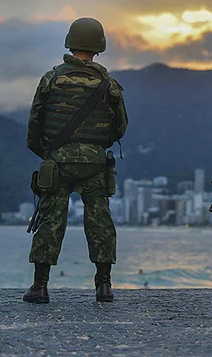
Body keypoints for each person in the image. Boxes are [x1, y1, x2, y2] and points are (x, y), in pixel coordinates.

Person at [24, 17, 128, 304]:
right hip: (95, 163)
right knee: (100, 221)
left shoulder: (51, 78)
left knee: (51, 221)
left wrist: (48, 153)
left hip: (58, 161)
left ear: (70, 42)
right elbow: (120, 127)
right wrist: (95, 146)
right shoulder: (109, 85)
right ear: (99, 46)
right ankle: (104, 286)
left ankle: (40, 286)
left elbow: (34, 124)